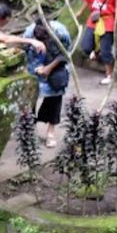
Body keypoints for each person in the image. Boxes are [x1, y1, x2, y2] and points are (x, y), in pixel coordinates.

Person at [23, 18, 72, 148]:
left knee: (55, 97)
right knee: (29, 98)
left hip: (55, 66)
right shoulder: (29, 33)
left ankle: (50, 133)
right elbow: (24, 52)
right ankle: (29, 130)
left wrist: (48, 69)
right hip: (34, 64)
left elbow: (65, 54)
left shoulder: (61, 33)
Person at [79, 0, 117, 86]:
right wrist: (80, 12)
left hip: (107, 21)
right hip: (94, 19)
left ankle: (109, 74)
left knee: (106, 50)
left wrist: (116, 25)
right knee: (85, 46)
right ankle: (95, 51)